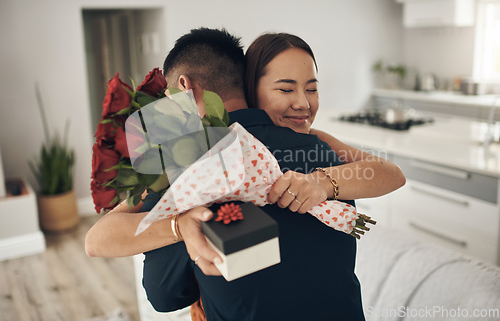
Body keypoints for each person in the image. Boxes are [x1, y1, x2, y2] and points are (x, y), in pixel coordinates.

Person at [85, 28, 405, 320]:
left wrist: (178, 226)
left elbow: (164, 295)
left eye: (311, 89)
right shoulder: (326, 153)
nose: (301, 103)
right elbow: (388, 171)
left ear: (184, 87)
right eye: (286, 88)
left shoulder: (190, 169)